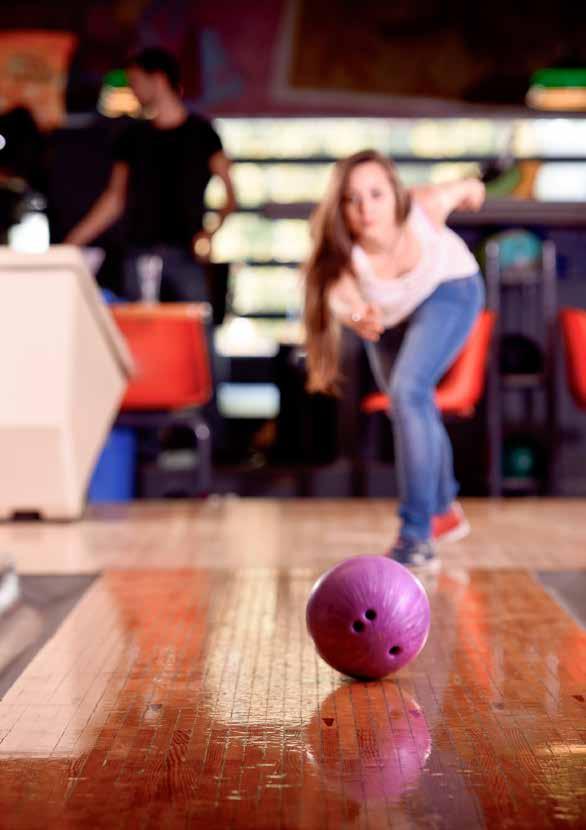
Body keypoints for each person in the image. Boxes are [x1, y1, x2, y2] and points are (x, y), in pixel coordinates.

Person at [303, 149, 486, 570]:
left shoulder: (422, 208)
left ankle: (416, 534)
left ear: (396, 195)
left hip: (450, 291)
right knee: (411, 402)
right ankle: (442, 509)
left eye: (376, 194)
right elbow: (341, 298)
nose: (366, 208)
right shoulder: (342, 254)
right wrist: (357, 315)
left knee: (407, 392)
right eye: (353, 198)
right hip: (388, 320)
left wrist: (471, 188)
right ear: (341, 206)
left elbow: (461, 187)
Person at [65, 46, 236, 303]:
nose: (133, 89)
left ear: (158, 78)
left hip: (186, 255)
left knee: (196, 331)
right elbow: (114, 199)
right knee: (141, 331)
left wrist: (209, 234)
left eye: (135, 81)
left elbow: (231, 193)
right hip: (139, 255)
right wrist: (72, 243)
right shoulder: (132, 137)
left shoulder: (202, 133)